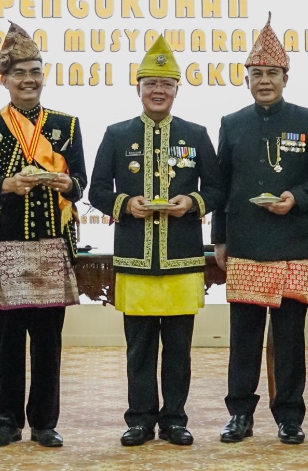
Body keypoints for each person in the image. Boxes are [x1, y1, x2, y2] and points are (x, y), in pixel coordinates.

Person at [212, 14, 308, 445]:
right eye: (256, 74)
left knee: (289, 337)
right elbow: (221, 187)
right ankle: (239, 416)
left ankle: (289, 416)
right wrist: (220, 239)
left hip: (294, 243)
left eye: (271, 73)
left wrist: (297, 198)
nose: (263, 80)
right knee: (244, 338)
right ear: (245, 78)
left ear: (285, 77)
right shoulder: (232, 123)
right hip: (246, 243)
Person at [89, 36, 223, 447]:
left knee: (179, 348)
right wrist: (126, 203)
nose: (158, 91)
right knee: (139, 347)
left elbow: (217, 188)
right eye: (150, 83)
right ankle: (140, 419)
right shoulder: (117, 134)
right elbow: (95, 191)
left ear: (177, 89)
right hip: (134, 257)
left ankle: (175, 419)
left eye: (165, 84)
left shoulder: (196, 134)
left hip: (182, 258)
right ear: (139, 88)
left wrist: (193, 202)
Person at [0, 22, 87, 448]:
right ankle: (5, 421)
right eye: (19, 73)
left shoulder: (65, 125)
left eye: (35, 71)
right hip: (3, 247)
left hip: (52, 247)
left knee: (48, 343)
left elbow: (81, 183)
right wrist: (5, 186)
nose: (28, 80)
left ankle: (44, 422)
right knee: (5, 343)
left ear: (43, 74)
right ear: (4, 78)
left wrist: (65, 185)